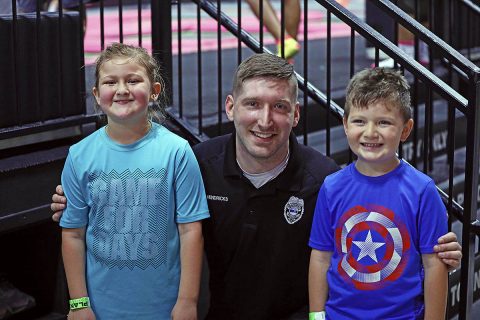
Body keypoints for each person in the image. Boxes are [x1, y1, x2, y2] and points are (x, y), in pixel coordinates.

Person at [52, 54, 462, 320]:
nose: (265, 120)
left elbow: (359, 242)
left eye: (279, 107)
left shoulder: (324, 182)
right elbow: (137, 207)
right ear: (231, 107)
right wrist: (77, 202)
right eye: (253, 104)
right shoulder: (194, 163)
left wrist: (436, 249)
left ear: (296, 114)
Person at [59, 43, 209, 320]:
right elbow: (73, 234)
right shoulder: (79, 155)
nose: (122, 89)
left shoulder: (177, 151)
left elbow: (190, 231)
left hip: (163, 306)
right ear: (97, 94)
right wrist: (79, 304)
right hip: (101, 308)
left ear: (154, 91)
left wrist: (188, 301)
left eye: (133, 80)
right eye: (110, 81)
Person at [309, 67, 448, 320]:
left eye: (384, 122)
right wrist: (316, 315)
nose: (370, 132)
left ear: (406, 130)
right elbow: (320, 256)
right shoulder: (331, 187)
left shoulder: (422, 191)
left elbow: (434, 265)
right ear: (345, 124)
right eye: (359, 121)